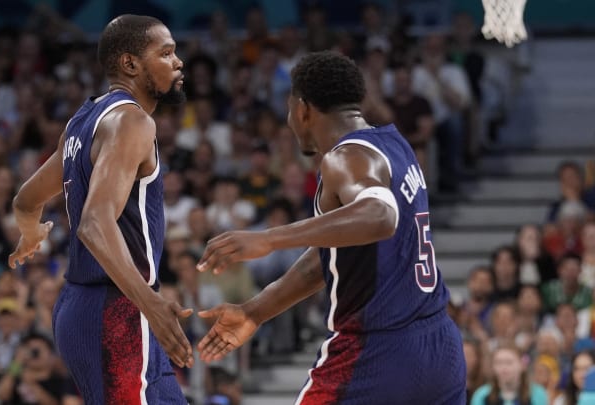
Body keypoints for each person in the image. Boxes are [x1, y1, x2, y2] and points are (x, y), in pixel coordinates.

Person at [195, 51, 466, 404]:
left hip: (376, 353)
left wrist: (270, 238)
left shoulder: (344, 157)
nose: (290, 121)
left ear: (303, 109)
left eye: (290, 110)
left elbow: (380, 215)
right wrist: (254, 311)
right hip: (440, 350)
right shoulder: (396, 146)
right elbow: (330, 254)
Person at [8, 14, 191, 404]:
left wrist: (30, 234)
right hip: (115, 309)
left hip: (82, 306)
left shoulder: (82, 121)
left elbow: (25, 200)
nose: (178, 62)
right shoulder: (132, 121)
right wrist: (152, 305)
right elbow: (93, 223)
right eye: (166, 52)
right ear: (130, 64)